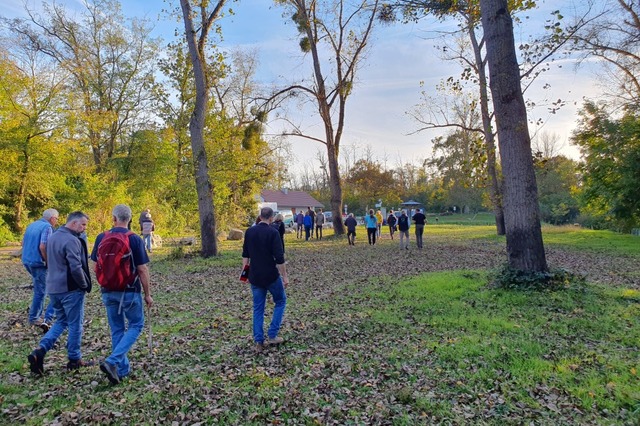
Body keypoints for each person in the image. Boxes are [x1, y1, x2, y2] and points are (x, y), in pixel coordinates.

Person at [91, 204, 153, 384]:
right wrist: (147, 294)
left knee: (117, 329)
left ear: (113, 218)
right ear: (130, 219)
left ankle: (122, 369)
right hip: (129, 291)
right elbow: (142, 269)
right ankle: (113, 362)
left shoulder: (102, 237)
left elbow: (95, 265)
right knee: (136, 325)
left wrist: (105, 282)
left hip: (108, 291)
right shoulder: (134, 239)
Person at [27, 211, 92, 375]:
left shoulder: (54, 236)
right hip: (70, 289)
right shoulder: (71, 240)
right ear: (74, 223)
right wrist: (84, 285)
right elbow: (76, 267)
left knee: (61, 321)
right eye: (83, 225)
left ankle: (40, 351)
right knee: (75, 324)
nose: (84, 228)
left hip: (53, 287)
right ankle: (74, 358)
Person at [241, 207, 289, 352]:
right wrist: (285, 276)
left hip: (255, 276)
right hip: (271, 275)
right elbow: (279, 259)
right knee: (280, 301)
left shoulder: (249, 232)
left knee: (258, 308)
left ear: (260, 216)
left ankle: (259, 341)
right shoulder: (273, 233)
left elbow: (245, 254)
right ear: (271, 218)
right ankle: (272, 334)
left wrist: (245, 273)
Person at [22, 208, 58, 332]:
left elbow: (23, 242)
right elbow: (43, 246)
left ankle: (37, 314)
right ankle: (34, 317)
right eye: (56, 219)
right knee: (41, 291)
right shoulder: (47, 227)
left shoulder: (32, 225)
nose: (56, 222)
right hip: (38, 262)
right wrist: (48, 262)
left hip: (27, 260)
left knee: (40, 288)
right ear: (52, 218)